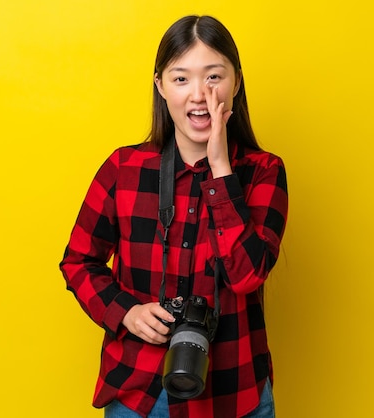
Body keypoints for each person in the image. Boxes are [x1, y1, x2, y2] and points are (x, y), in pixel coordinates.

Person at [60, 15, 288, 418]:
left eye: (214, 76)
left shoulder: (263, 172)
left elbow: (245, 276)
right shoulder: (124, 168)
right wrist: (125, 311)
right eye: (181, 79)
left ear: (236, 82)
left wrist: (220, 169)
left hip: (234, 394)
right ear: (160, 86)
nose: (199, 94)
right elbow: (79, 260)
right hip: (142, 391)